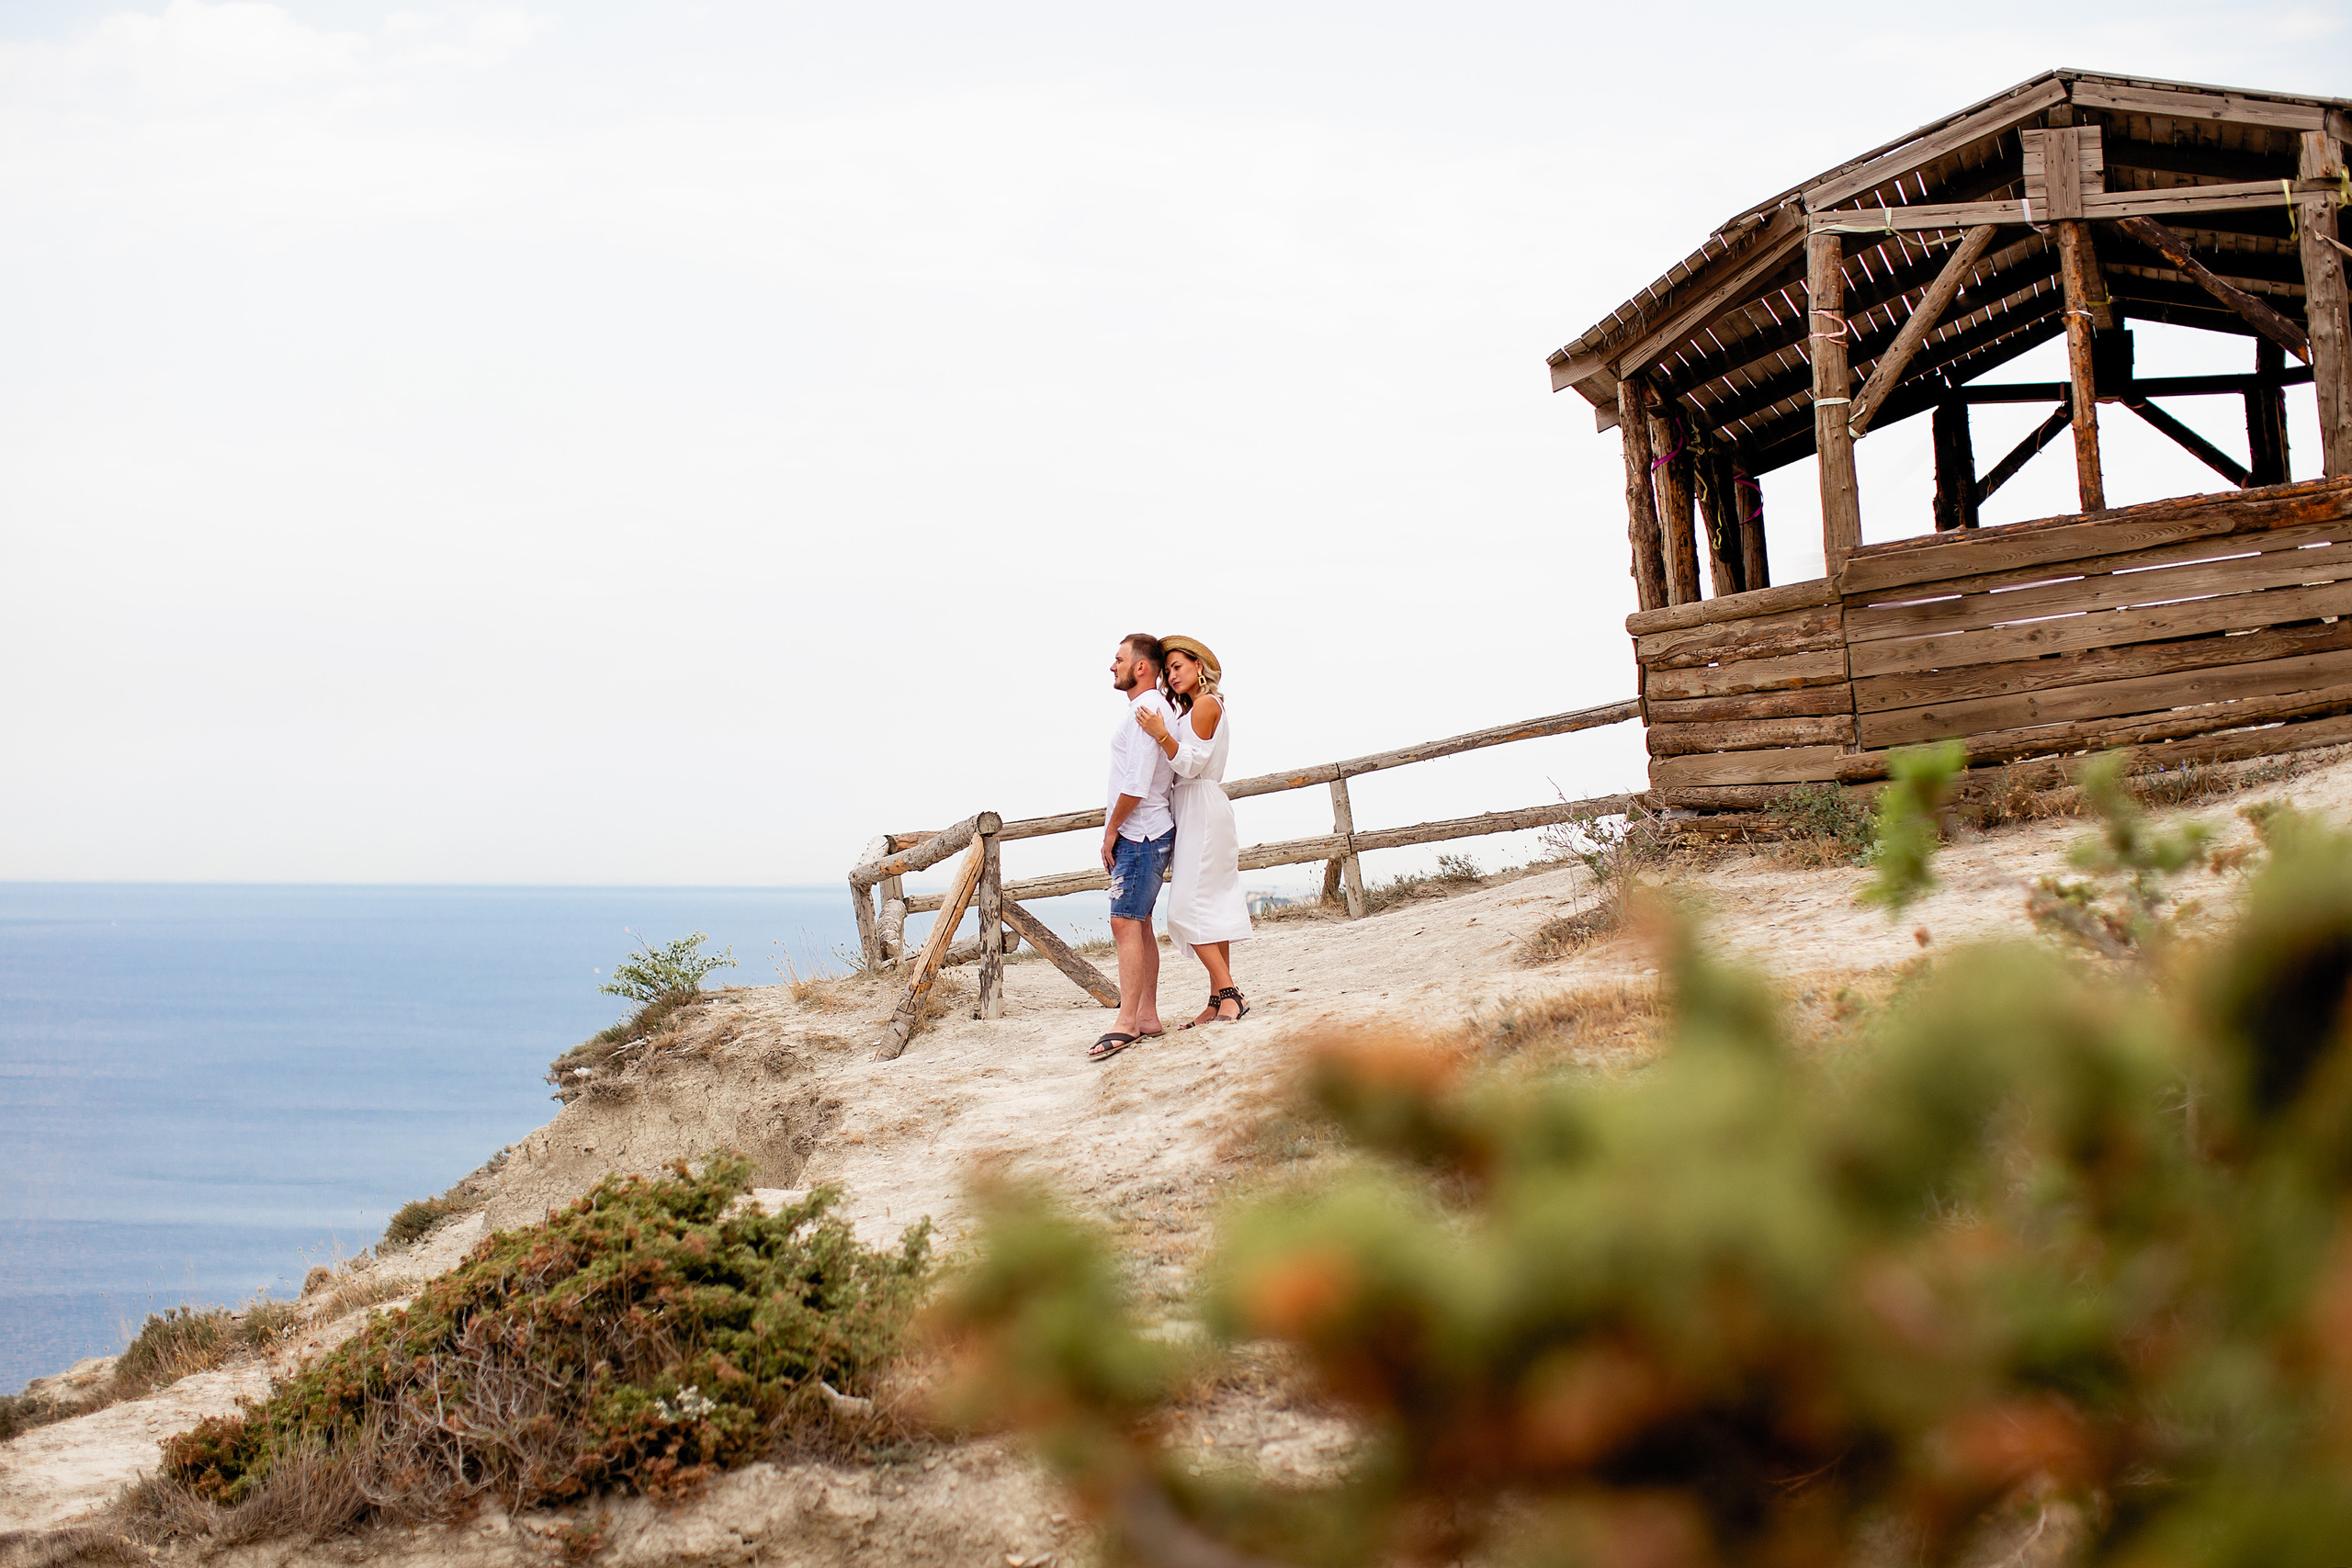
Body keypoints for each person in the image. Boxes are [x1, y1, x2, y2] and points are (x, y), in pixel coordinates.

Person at [1134, 636, 1253, 1026]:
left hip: (1201, 805)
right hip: (1191, 808)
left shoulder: (1205, 704)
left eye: (1178, 667)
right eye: (1167, 671)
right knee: (1211, 906)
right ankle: (1218, 999)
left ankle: (1231, 993)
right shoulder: (1190, 709)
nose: (1171, 675)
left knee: (1184, 908)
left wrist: (1160, 733)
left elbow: (1190, 765)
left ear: (1198, 666)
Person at [1091, 633, 1178, 1063]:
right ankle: (1146, 1016)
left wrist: (1111, 831)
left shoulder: (1148, 710)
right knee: (1138, 923)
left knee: (1124, 922)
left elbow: (1137, 785)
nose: (1113, 666)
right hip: (1144, 832)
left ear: (1141, 667)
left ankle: (1127, 1023)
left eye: (1119, 659)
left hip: (1141, 834)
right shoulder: (1146, 709)